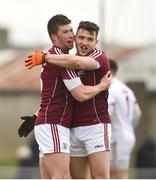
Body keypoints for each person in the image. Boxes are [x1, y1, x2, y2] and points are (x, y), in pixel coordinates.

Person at [18, 15, 111, 179]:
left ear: (96, 42)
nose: (72, 36)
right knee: (62, 177)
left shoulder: (90, 57)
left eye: (71, 31)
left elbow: (57, 93)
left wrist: (37, 115)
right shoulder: (60, 59)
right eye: (67, 32)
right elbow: (80, 94)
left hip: (83, 125)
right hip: (56, 124)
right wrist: (102, 86)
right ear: (54, 36)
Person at [108, 59, 142, 179]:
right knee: (122, 174)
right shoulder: (126, 89)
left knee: (113, 174)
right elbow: (137, 113)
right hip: (127, 134)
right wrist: (129, 127)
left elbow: (108, 111)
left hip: (116, 137)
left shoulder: (110, 87)